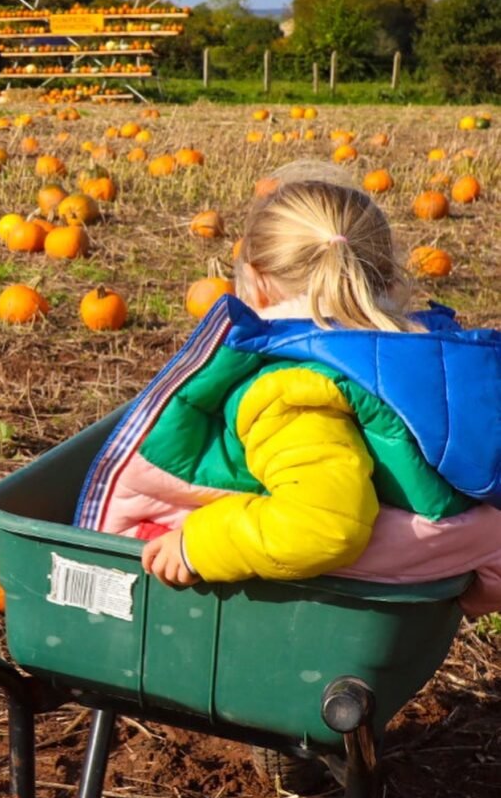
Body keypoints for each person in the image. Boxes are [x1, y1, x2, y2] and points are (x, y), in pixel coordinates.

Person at [74, 178, 501, 616]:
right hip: (435, 558)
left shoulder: (289, 389)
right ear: (390, 281)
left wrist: (195, 544)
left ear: (255, 284)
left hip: (345, 590)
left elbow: (327, 525)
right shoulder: (414, 365)